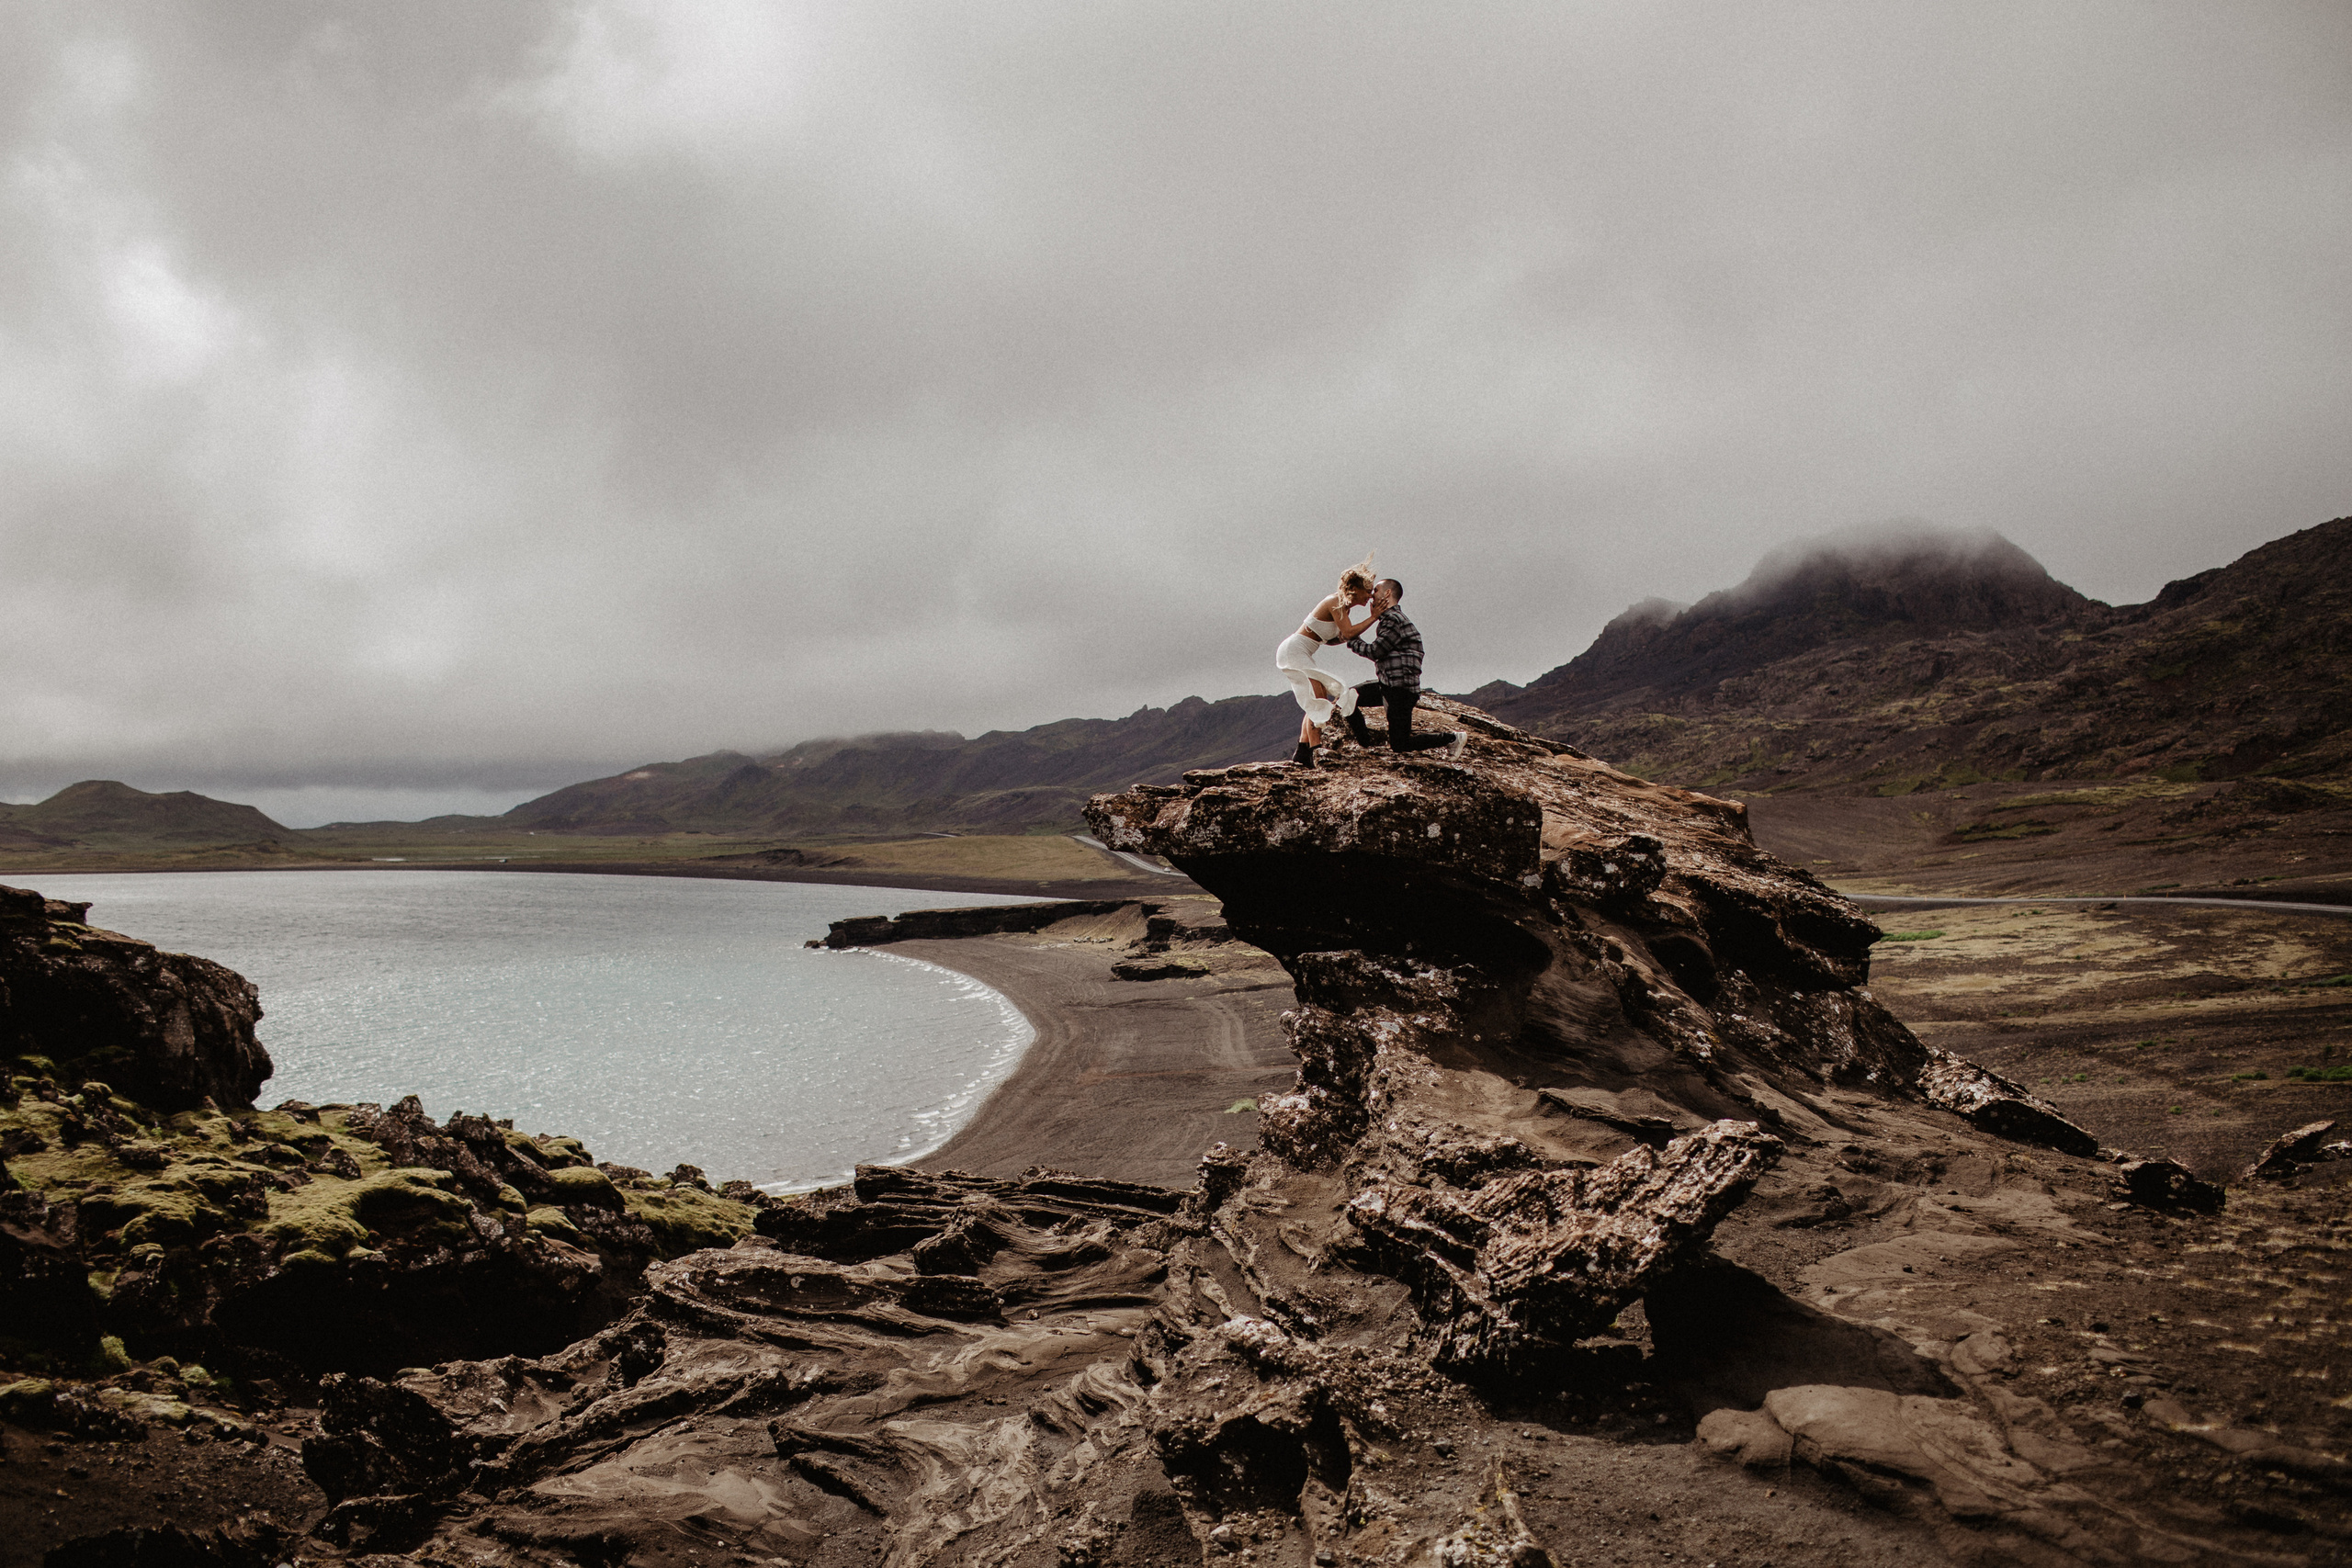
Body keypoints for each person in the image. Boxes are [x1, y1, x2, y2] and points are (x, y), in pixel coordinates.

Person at [1275, 556, 1383, 767]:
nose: (1370, 596)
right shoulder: (1335, 602)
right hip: (1293, 651)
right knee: (1318, 699)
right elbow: (1349, 632)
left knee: (1317, 698)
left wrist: (1346, 636)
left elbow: (1334, 639)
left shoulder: (1344, 608)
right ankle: (1316, 753)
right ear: (1354, 589)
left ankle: (1303, 751)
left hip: (1300, 652)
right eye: (1368, 591)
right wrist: (1374, 617)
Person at [1344, 578, 1468, 759]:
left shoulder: (1393, 619)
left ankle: (1452, 738)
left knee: (1400, 744)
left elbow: (1375, 651)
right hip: (1389, 686)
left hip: (1400, 691)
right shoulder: (1392, 619)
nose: (1371, 595)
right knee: (1348, 698)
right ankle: (1366, 745)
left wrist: (1351, 638)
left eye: (1376, 590)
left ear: (1387, 593)